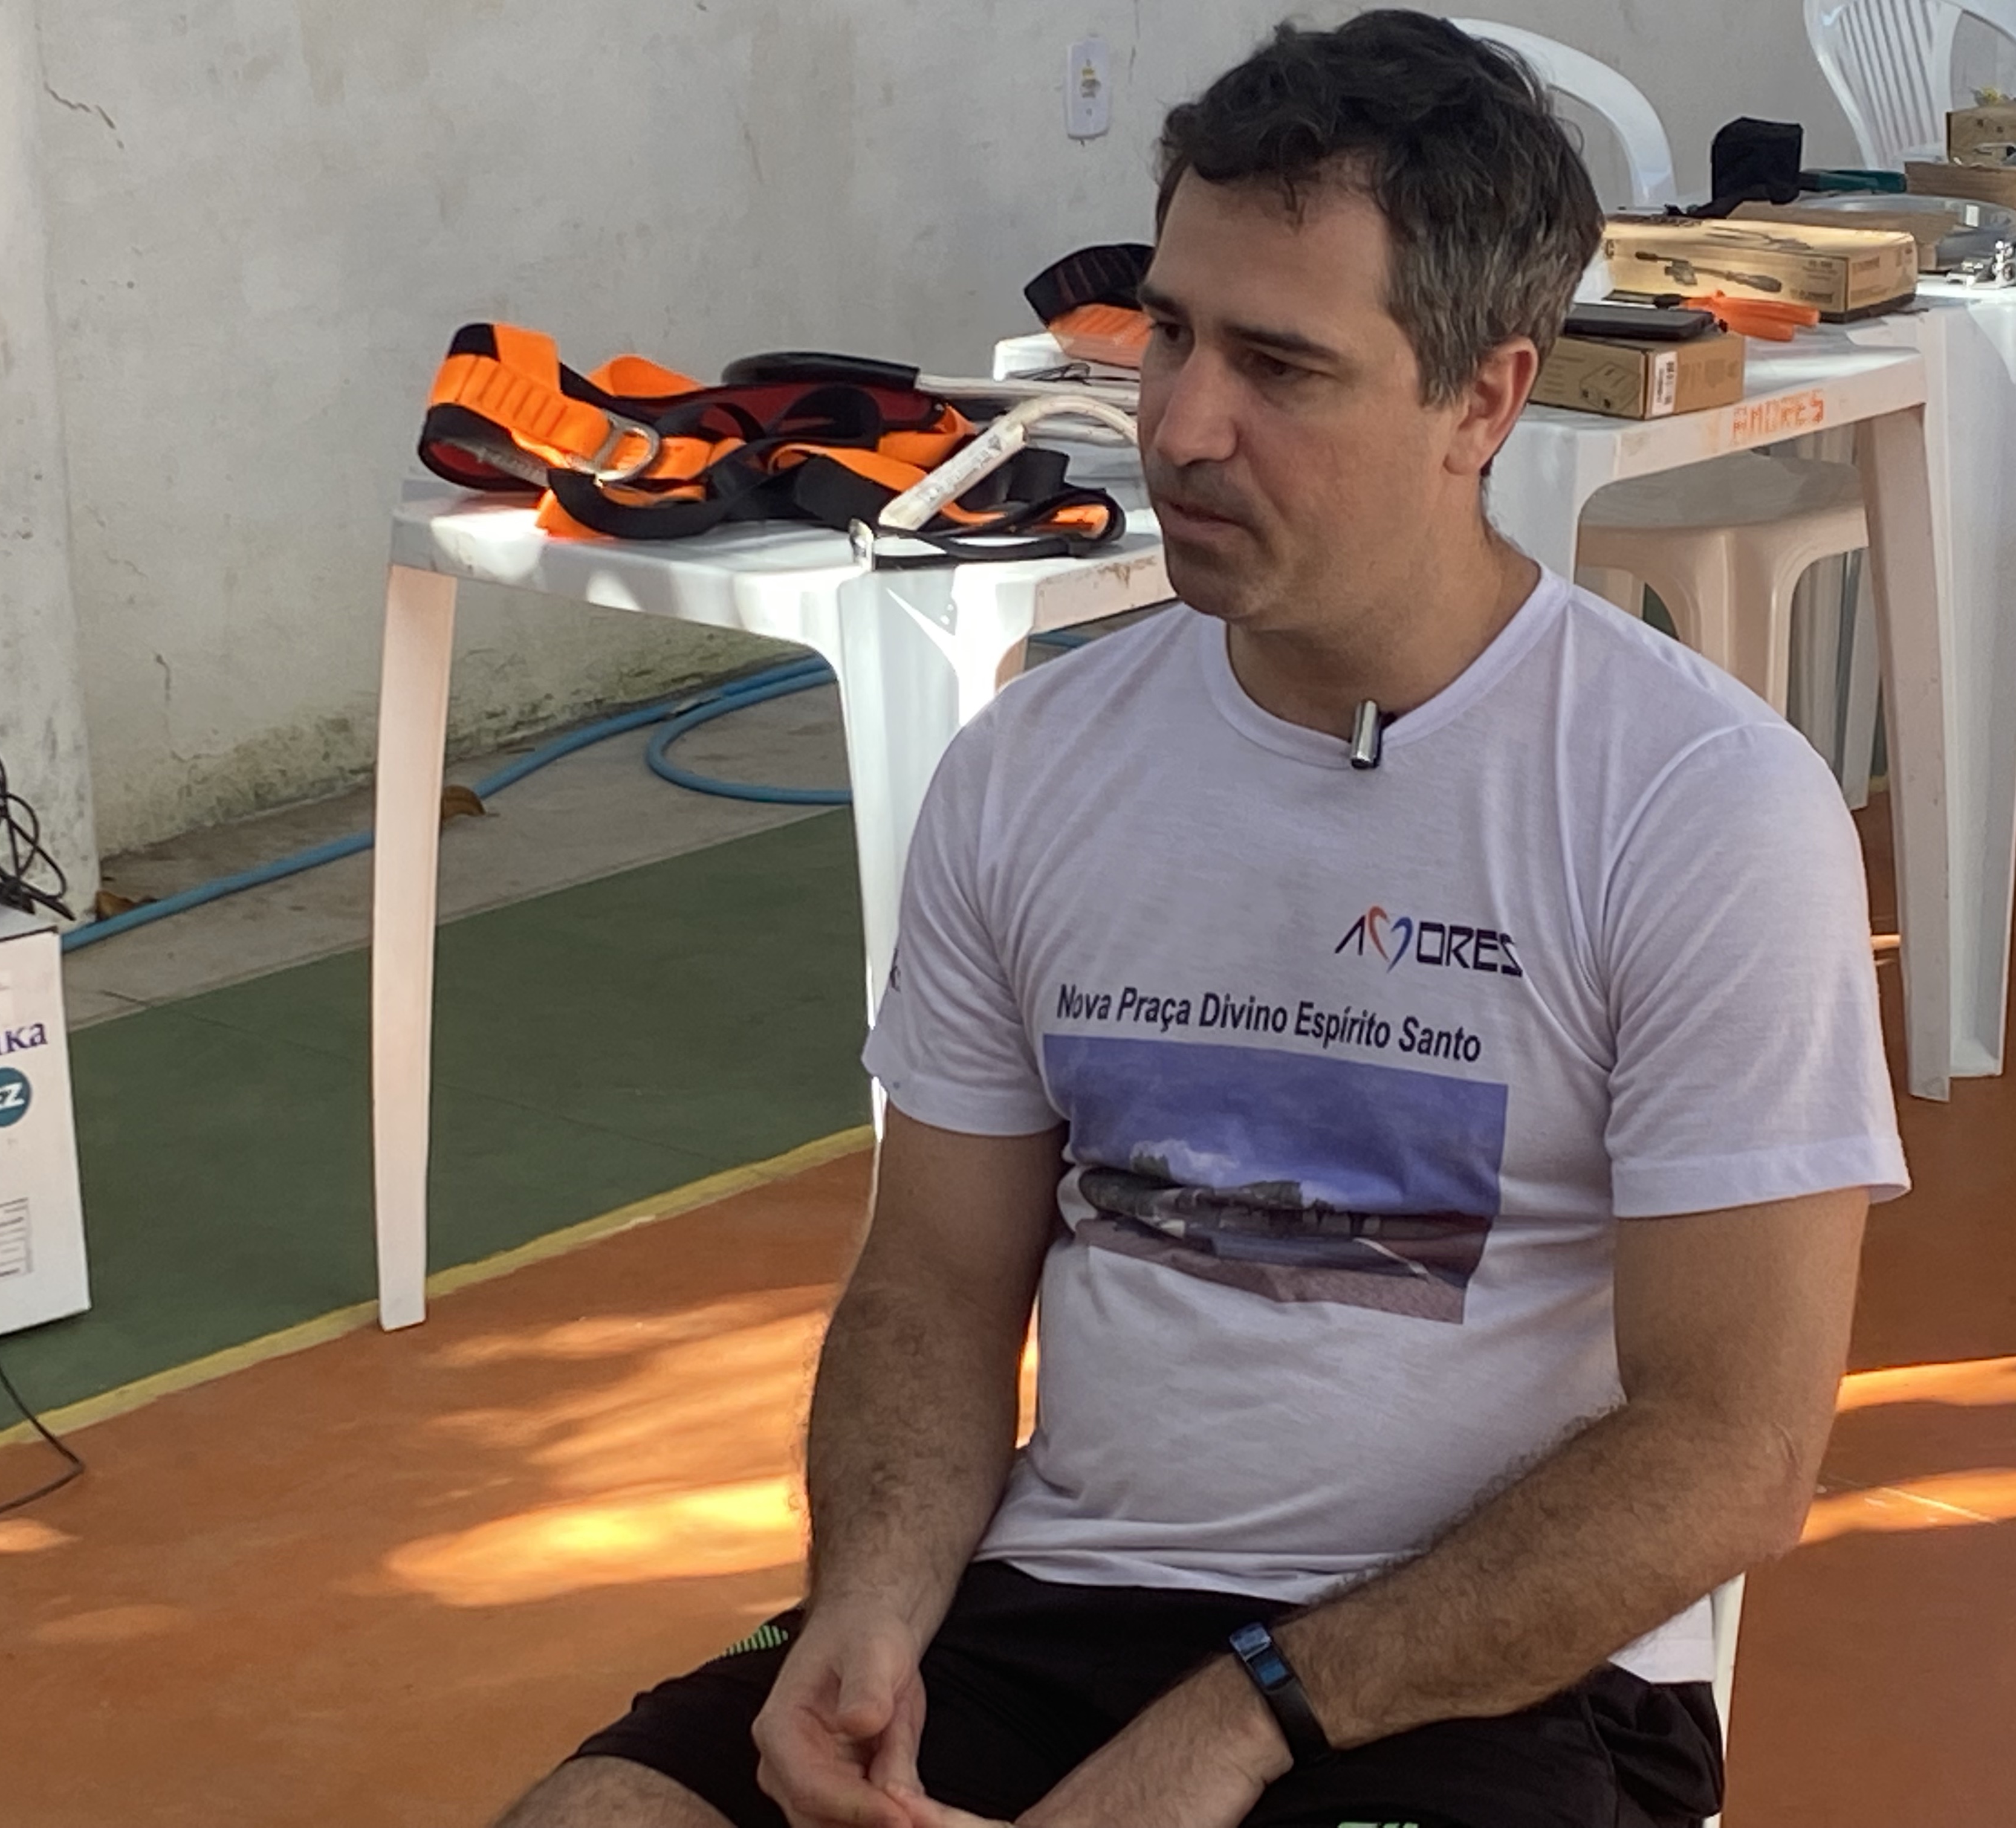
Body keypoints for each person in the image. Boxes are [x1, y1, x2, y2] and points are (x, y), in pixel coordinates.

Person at [493, 13, 1907, 1827]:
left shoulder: (1696, 804)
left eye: (1281, 366)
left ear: (1483, 401)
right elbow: (932, 1286)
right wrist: (870, 1606)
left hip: (1498, 1679)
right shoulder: (1033, 765)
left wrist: (1237, 1726)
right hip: (1053, 1605)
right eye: (1168, 332)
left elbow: (1732, 1450)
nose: (1179, 425)